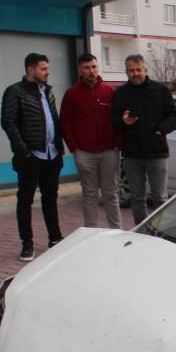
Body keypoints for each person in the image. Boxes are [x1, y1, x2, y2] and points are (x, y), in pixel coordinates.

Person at [1, 52, 64, 262]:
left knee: (50, 197)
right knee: (25, 200)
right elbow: (8, 123)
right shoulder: (15, 92)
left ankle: (55, 238)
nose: (47, 72)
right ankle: (27, 244)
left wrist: (59, 148)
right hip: (30, 156)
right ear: (31, 70)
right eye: (43, 68)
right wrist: (24, 152)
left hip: (51, 154)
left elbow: (53, 120)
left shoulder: (48, 91)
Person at [110, 54, 176, 223]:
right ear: (126, 72)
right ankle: (142, 233)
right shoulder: (120, 93)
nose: (135, 73)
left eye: (138, 69)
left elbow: (174, 116)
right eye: (131, 70)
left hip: (156, 152)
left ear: (145, 70)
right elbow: (113, 121)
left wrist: (161, 130)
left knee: (160, 198)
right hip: (132, 154)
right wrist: (123, 121)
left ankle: (162, 233)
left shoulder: (160, 90)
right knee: (137, 199)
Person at [60, 53, 121, 229]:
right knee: (89, 194)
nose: (91, 71)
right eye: (87, 68)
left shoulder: (109, 91)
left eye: (93, 67)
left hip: (109, 151)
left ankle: (116, 231)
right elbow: (65, 123)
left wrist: (116, 145)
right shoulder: (72, 94)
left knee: (111, 194)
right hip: (84, 152)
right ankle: (91, 232)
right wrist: (75, 149)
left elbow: (117, 121)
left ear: (98, 67)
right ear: (80, 69)